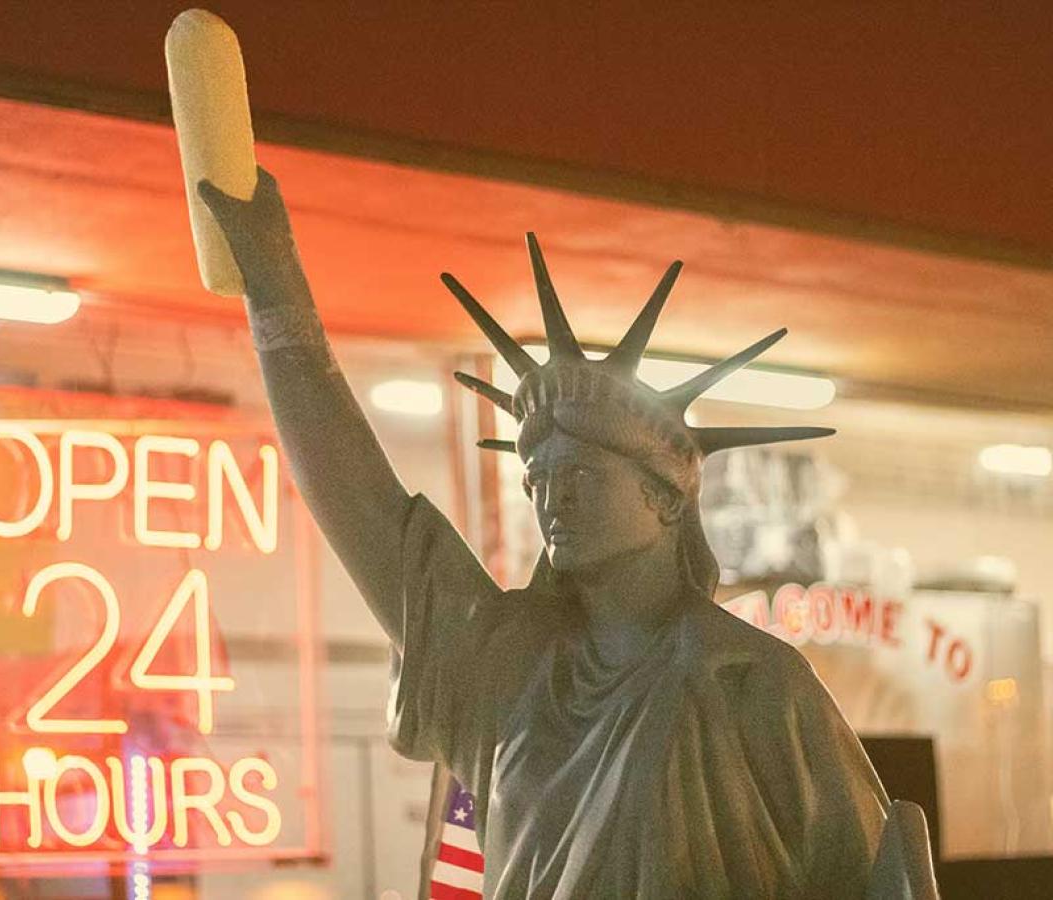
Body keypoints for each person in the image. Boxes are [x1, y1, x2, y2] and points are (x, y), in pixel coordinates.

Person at [197, 172, 937, 899]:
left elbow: (870, 879)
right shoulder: (506, 667)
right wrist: (277, 296)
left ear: (664, 498)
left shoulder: (750, 681)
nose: (552, 498)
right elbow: (361, 507)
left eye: (580, 476)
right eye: (538, 480)